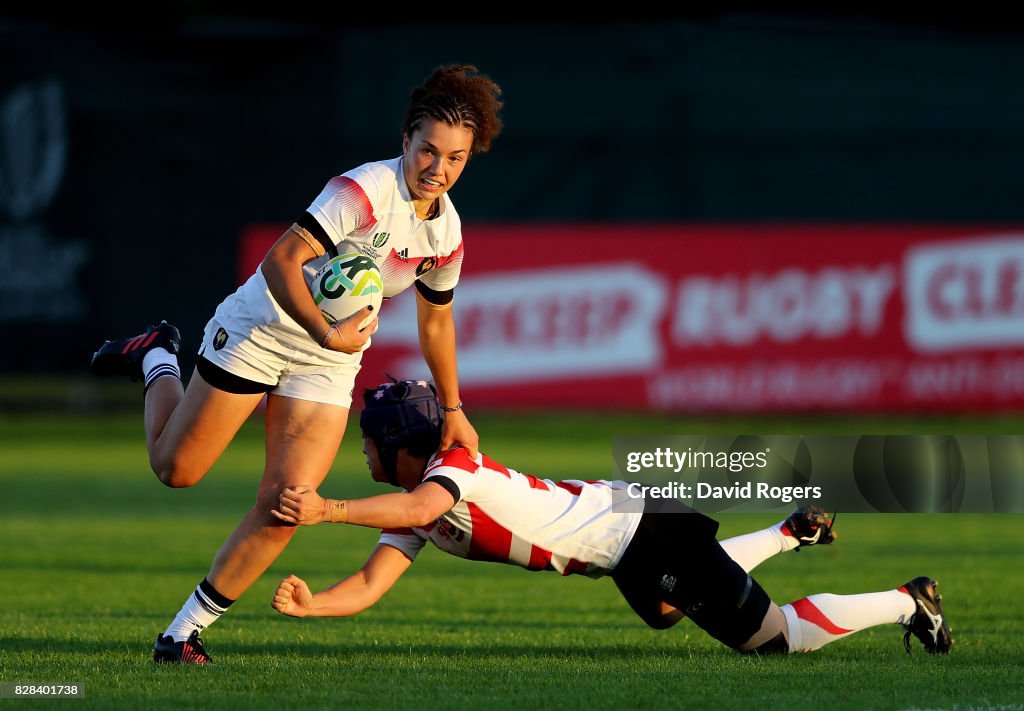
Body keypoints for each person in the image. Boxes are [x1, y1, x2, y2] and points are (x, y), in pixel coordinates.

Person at [88, 64, 504, 665]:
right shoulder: (364, 190)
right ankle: (158, 353)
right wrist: (325, 329)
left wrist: (455, 408)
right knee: (175, 469)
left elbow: (436, 319)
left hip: (330, 360)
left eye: (456, 159)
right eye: (428, 151)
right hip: (266, 327)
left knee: (290, 499)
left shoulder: (448, 233)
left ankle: (181, 635)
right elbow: (283, 260)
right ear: (405, 143)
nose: (438, 170)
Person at [270, 378, 953, 657]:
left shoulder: (450, 473)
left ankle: (906, 600)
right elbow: (369, 583)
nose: (361, 450)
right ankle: (788, 530)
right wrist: (313, 606)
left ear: (398, 444)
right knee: (666, 612)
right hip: (630, 541)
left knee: (775, 641)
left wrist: (326, 509)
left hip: (645, 531)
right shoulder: (419, 499)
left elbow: (419, 507)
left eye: (368, 439)